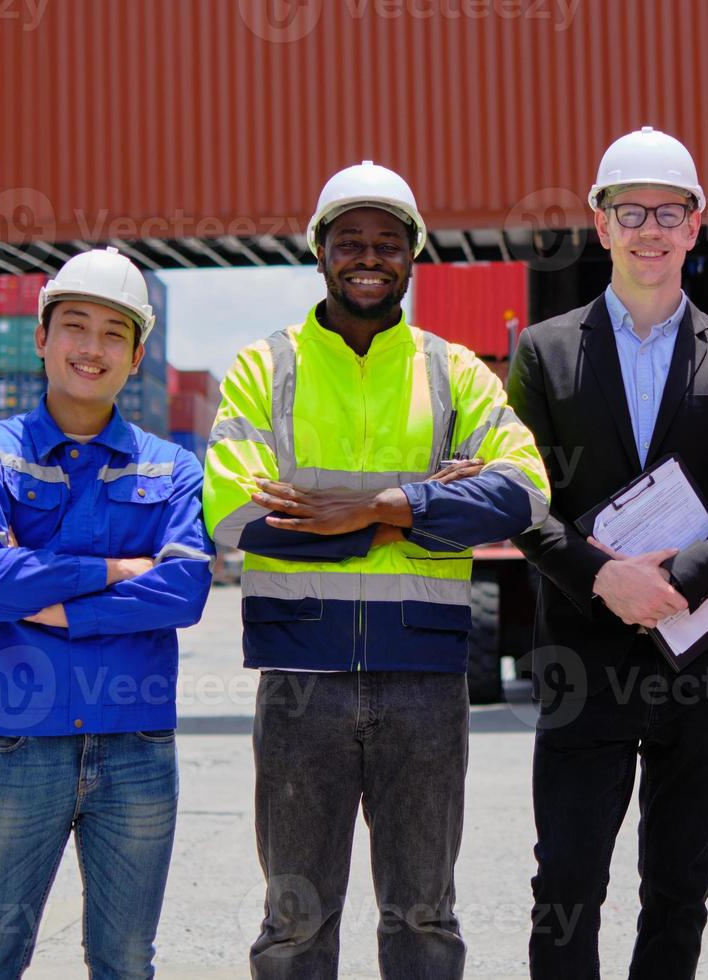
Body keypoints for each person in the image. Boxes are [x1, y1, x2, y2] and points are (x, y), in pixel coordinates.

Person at [202, 161, 550, 980]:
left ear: (412, 255)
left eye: (386, 243)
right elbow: (237, 516)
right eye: (350, 241)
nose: (368, 257)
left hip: (425, 680)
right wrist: (430, 503)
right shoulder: (264, 369)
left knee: (426, 917)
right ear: (320, 250)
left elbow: (524, 494)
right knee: (293, 924)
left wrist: (374, 506)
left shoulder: (453, 370)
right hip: (299, 680)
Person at [507, 126, 708, 979]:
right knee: (566, 883)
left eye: (669, 212)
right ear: (601, 225)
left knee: (678, 887)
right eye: (630, 211)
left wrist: (675, 581)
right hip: (582, 660)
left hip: (703, 658)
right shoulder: (544, 352)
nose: (650, 229)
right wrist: (605, 579)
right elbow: (520, 500)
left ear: (696, 224)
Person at [0, 247, 214, 978]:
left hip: (137, 750)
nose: (91, 348)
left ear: (136, 356)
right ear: (41, 337)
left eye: (113, 334)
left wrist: (56, 607)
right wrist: (115, 571)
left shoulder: (174, 467)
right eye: (75, 326)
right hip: (17, 746)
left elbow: (186, 590)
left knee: (126, 962)